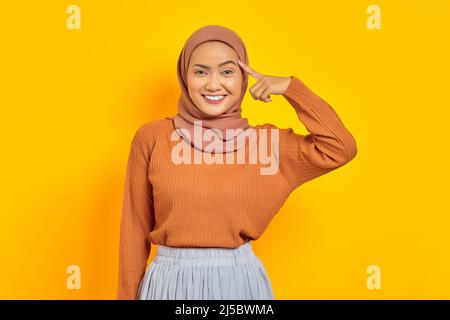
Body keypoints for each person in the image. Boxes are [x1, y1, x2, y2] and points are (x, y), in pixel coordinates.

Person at [117, 25, 357, 300]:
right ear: (185, 77)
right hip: (168, 282)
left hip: (238, 283)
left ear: (243, 78)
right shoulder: (153, 137)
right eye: (200, 71)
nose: (213, 84)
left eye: (227, 71)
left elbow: (340, 147)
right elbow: (133, 231)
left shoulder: (268, 145)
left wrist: (291, 88)